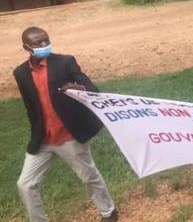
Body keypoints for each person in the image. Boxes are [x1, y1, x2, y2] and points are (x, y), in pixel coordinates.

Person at [14, 27, 118, 222]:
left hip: (69, 135)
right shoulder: (20, 73)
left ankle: (109, 212)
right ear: (26, 47)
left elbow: (93, 90)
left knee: (88, 176)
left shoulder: (64, 63)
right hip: (43, 139)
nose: (44, 44)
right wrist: (36, 132)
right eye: (38, 42)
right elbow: (31, 108)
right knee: (25, 184)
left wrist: (78, 88)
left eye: (46, 40)